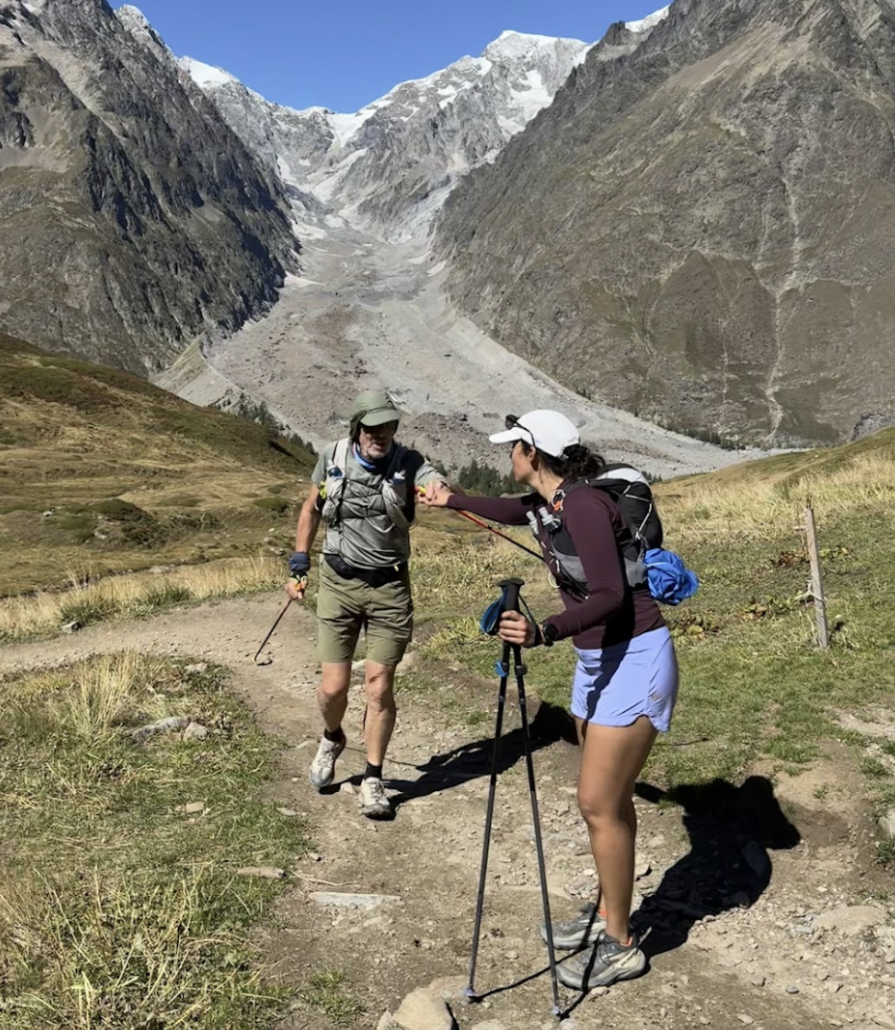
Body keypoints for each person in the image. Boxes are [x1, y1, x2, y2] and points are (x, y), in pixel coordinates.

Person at [421, 409, 679, 989]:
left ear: (532, 453)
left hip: (635, 659)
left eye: (512, 447)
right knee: (609, 803)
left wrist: (546, 632)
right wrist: (450, 500)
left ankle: (621, 944)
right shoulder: (549, 503)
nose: (507, 455)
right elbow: (509, 510)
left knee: (596, 803)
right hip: (599, 663)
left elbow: (612, 595)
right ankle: (609, 912)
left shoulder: (583, 506)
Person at [285, 390, 449, 819]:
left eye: (388, 426)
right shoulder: (333, 456)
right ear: (357, 427)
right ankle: (332, 736)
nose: (380, 434)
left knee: (379, 687)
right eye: (372, 427)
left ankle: (373, 778)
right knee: (333, 688)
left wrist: (436, 488)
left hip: (390, 588)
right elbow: (312, 508)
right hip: (338, 583)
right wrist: (299, 564)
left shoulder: (409, 462)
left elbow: (433, 479)